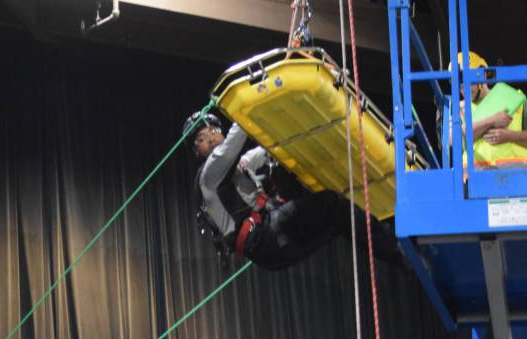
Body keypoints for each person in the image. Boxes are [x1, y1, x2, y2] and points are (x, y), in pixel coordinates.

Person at [183, 111, 403, 271]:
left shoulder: (240, 164)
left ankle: (399, 256)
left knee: (336, 219)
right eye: (201, 138)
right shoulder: (208, 177)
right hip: (267, 236)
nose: (210, 138)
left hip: (275, 243)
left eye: (214, 131)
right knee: (332, 204)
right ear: (196, 152)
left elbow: (266, 149)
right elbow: (237, 134)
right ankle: (398, 251)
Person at [451, 51, 527, 165]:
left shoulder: (515, 98)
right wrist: (492, 120)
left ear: (484, 75)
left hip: (515, 172)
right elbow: (453, 140)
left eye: (468, 82)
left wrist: (510, 136)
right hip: (476, 174)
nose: (464, 89)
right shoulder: (458, 109)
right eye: (460, 85)